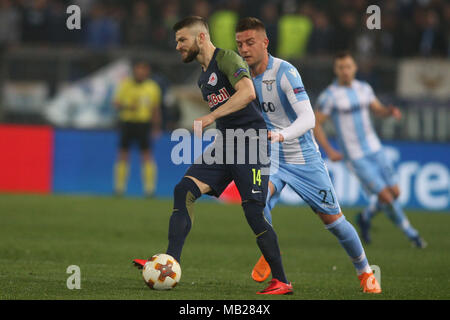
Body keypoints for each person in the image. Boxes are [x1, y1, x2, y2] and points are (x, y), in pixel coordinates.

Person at [133, 16, 292, 295]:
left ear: (201, 38)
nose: (178, 46)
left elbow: (247, 93)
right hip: (226, 143)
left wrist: (210, 117)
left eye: (182, 40)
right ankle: (169, 264)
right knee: (184, 189)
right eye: (177, 41)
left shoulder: (228, 59)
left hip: (251, 143)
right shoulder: (203, 77)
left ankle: (282, 280)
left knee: (254, 211)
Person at [235, 17, 381, 294]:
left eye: (250, 42)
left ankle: (365, 272)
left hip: (303, 156)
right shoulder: (242, 76)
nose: (244, 49)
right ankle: (271, 255)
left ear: (265, 43)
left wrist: (281, 134)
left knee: (335, 223)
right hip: (271, 155)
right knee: (257, 200)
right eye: (239, 43)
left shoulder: (285, 72)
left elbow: (309, 118)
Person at [313, 51, 426, 248]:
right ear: (336, 70)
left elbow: (377, 110)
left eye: (348, 66)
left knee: (396, 192)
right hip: (355, 156)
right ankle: (412, 234)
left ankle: (365, 217)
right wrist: (330, 151)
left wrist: (389, 111)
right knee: (386, 197)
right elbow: (315, 124)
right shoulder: (329, 96)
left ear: (354, 67)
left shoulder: (364, 88)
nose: (345, 71)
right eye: (341, 67)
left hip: (375, 148)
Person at [113, 59, 161, 197]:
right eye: (138, 69)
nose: (140, 72)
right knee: (123, 155)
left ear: (147, 72)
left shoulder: (152, 87)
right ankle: (119, 189)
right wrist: (128, 106)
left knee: (146, 156)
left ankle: (149, 190)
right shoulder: (125, 84)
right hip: (127, 123)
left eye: (143, 69)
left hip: (143, 124)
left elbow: (155, 109)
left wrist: (156, 127)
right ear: (135, 70)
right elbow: (116, 103)